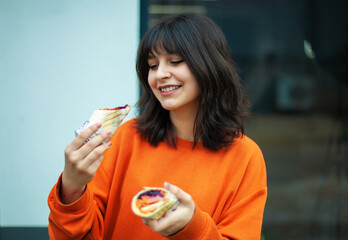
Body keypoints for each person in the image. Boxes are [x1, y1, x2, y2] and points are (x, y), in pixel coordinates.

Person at [48, 13, 267, 239]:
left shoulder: (245, 157)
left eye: (175, 61)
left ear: (210, 65)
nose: (160, 74)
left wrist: (190, 227)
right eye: (152, 65)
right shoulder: (126, 138)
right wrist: (72, 187)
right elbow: (75, 235)